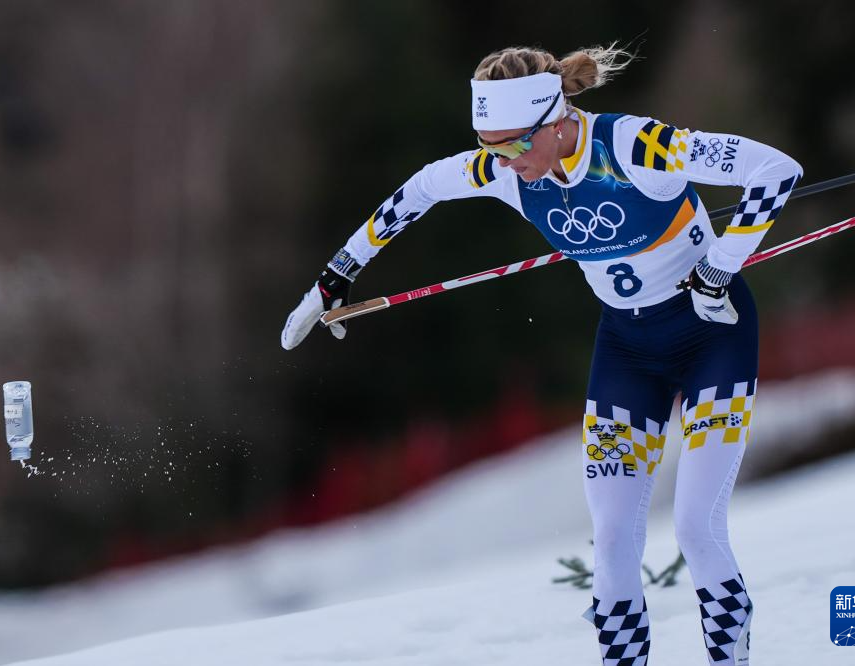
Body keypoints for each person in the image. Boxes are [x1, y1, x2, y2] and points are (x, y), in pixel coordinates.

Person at [281, 44, 801, 666]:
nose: (502, 163)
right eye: (489, 148)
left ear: (555, 121)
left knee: (695, 525)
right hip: (628, 351)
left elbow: (776, 170)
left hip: (713, 334)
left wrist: (719, 267)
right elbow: (419, 191)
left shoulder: (636, 147)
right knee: (612, 540)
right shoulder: (505, 169)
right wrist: (335, 277)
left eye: (512, 146)